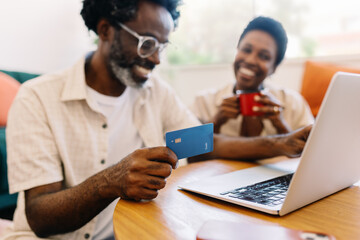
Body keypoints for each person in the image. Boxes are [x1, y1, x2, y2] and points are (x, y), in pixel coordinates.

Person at [3, 2, 311, 239]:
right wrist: (110, 182)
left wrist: (282, 142)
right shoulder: (37, 98)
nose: (156, 59)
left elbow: (203, 144)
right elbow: (40, 216)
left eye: (162, 46)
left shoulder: (155, 93)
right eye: (147, 43)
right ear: (106, 30)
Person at [191, 16, 314, 137]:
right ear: (237, 50)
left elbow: (312, 151)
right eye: (246, 50)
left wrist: (280, 125)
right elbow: (190, 152)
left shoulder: (293, 103)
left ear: (274, 68)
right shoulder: (204, 102)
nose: (250, 60)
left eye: (264, 56)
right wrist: (216, 122)